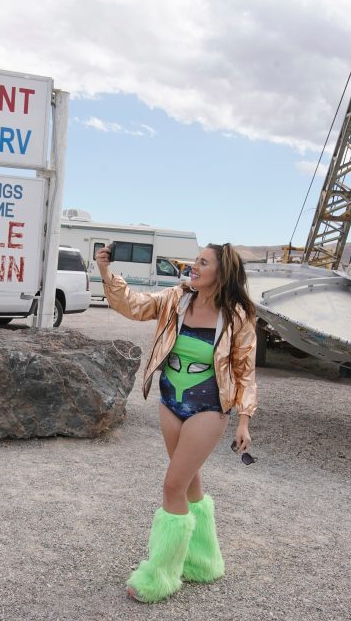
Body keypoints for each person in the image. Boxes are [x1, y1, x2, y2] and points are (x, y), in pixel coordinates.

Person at [96, 242, 257, 603]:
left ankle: (160, 576)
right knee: (189, 482)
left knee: (172, 486)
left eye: (203, 262)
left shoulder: (237, 316)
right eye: (195, 260)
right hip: (170, 402)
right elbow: (134, 306)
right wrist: (106, 273)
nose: (193, 266)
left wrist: (244, 420)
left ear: (221, 271)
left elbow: (246, 371)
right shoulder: (176, 299)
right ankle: (203, 561)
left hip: (209, 409)